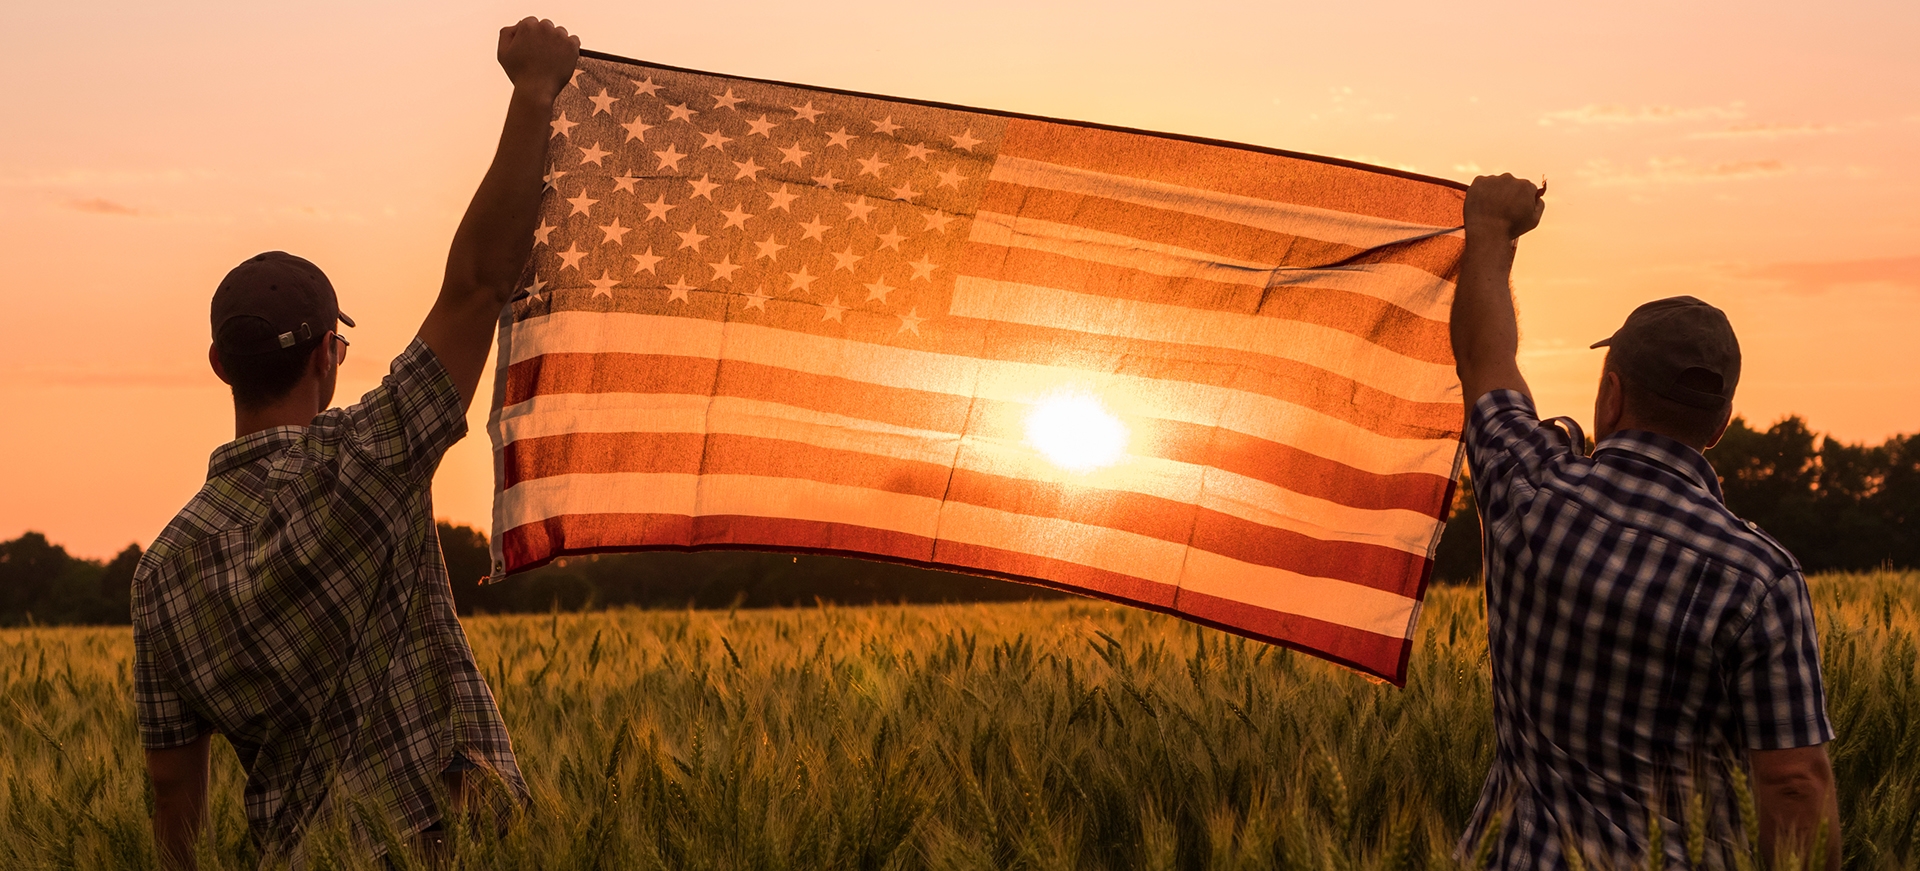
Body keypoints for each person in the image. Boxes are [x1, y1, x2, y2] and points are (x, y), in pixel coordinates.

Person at [131, 18, 580, 869]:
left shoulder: (160, 576)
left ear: (222, 364)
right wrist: (532, 92)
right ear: (328, 358)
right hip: (445, 846)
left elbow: (172, 791)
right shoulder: (369, 459)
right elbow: (479, 283)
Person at [1450, 175, 1841, 870]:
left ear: (1611, 391)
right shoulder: (1760, 580)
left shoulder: (1528, 487)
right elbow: (1793, 782)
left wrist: (1489, 229)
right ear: (1719, 426)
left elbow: (1486, 358)